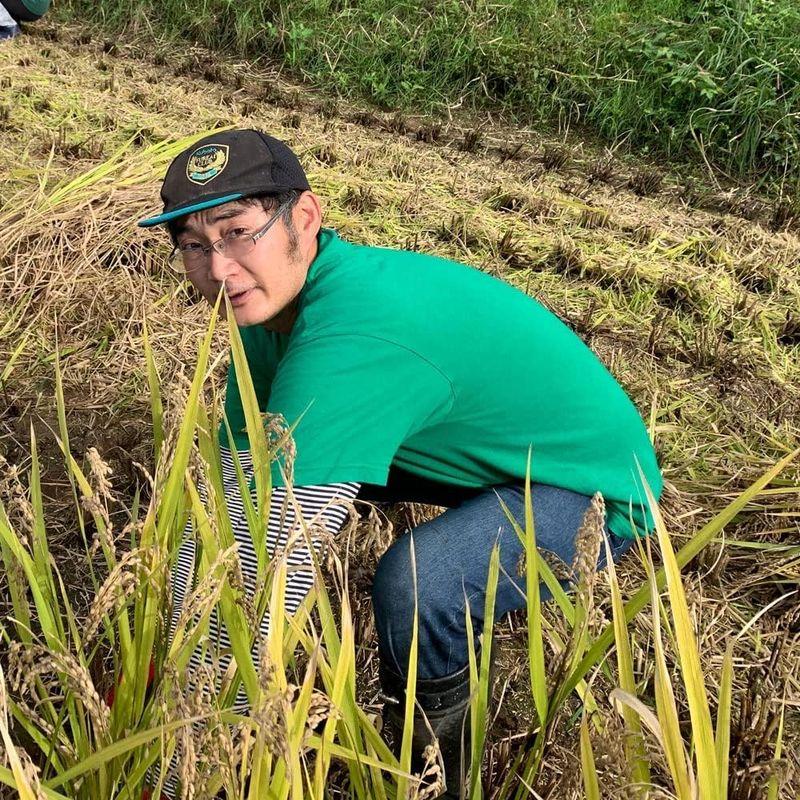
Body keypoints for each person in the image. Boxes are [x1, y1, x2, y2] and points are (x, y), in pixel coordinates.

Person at [138, 128, 663, 798]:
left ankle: (441, 775)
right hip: (488, 450)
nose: (218, 269)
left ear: (304, 218)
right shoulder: (270, 316)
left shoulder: (353, 334)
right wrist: (163, 638)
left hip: (593, 489)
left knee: (420, 584)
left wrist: (182, 753)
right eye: (193, 245)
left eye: (238, 232)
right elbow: (235, 493)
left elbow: (268, 555)